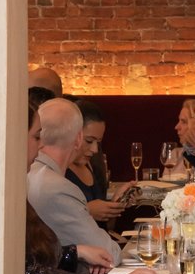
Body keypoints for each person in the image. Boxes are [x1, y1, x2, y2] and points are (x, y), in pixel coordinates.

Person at [21, 93, 155, 274]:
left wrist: (75, 252)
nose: (39, 148)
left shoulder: (26, 180)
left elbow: (30, 259)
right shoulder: (50, 185)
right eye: (36, 137)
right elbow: (32, 273)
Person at [27, 98, 123, 264]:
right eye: (89, 140)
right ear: (78, 138)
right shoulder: (58, 188)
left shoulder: (31, 173)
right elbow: (109, 255)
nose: (94, 149)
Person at [62, 98, 125, 225]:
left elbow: (105, 228)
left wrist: (117, 201)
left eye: (99, 142)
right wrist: (87, 211)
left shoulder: (93, 165)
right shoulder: (59, 172)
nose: (95, 149)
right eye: (89, 141)